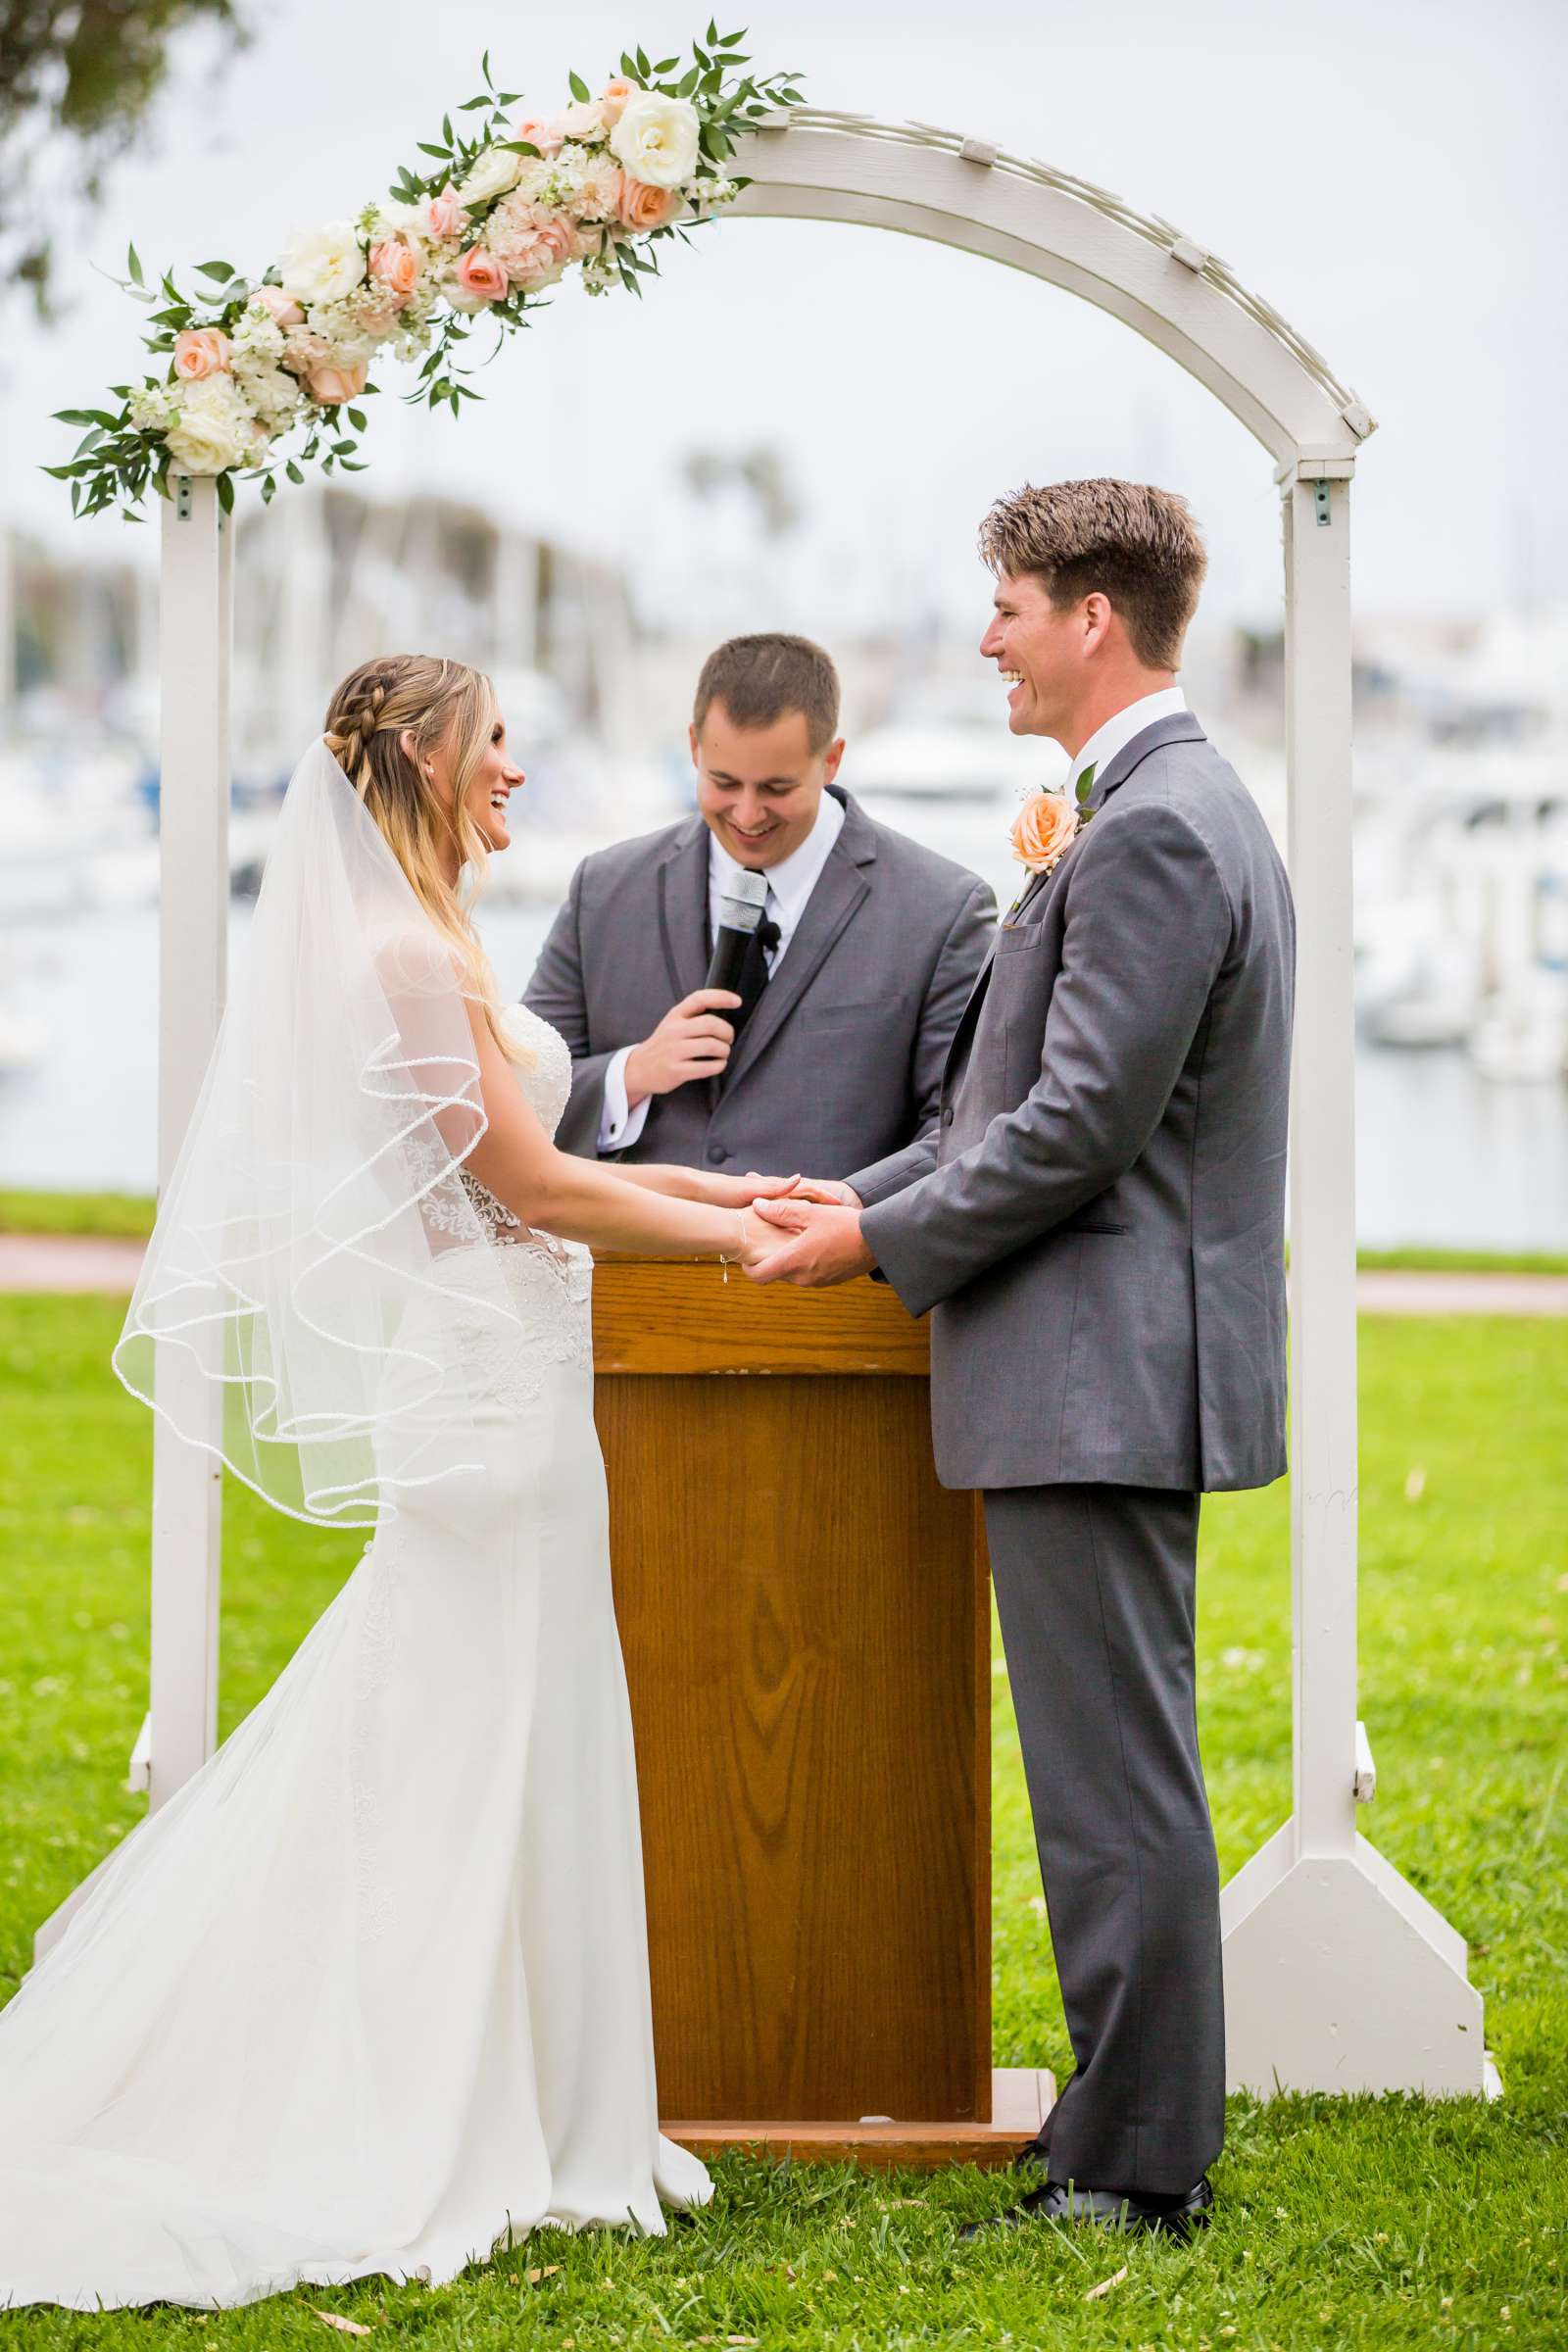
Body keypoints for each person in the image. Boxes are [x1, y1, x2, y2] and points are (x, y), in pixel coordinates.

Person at [0, 655, 787, 2313]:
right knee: (467, 1748)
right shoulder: (400, 949)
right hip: (495, 1421)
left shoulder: (433, 938)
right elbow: (521, 1185)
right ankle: (451, 2102)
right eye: (496, 741)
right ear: (431, 757)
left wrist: (710, 1152)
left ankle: (538, 2092)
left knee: (487, 1744)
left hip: (511, 1392)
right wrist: (725, 1228)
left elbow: (532, 1137)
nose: (514, 766)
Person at [748, 481, 1296, 2241]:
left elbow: (1073, 1133)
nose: (986, 635)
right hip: (1100, 1366)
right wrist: (855, 1188)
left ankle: (1137, 2168)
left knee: (1112, 1782)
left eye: (1006, 603)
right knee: (1110, 1773)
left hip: (1100, 1372)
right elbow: (1006, 1107)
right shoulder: (1157, 805)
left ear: (1093, 622)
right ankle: (1129, 2132)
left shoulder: (1152, 828)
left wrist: (871, 1243)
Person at [523, 632, 996, 1179]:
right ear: (694, 746)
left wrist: (848, 1213)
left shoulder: (942, 911)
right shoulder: (603, 891)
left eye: (776, 788)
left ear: (832, 759)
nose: (747, 814)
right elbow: (517, 1095)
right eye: (724, 782)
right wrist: (631, 1073)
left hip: (836, 1261)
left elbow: (960, 1130)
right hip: (632, 1260)